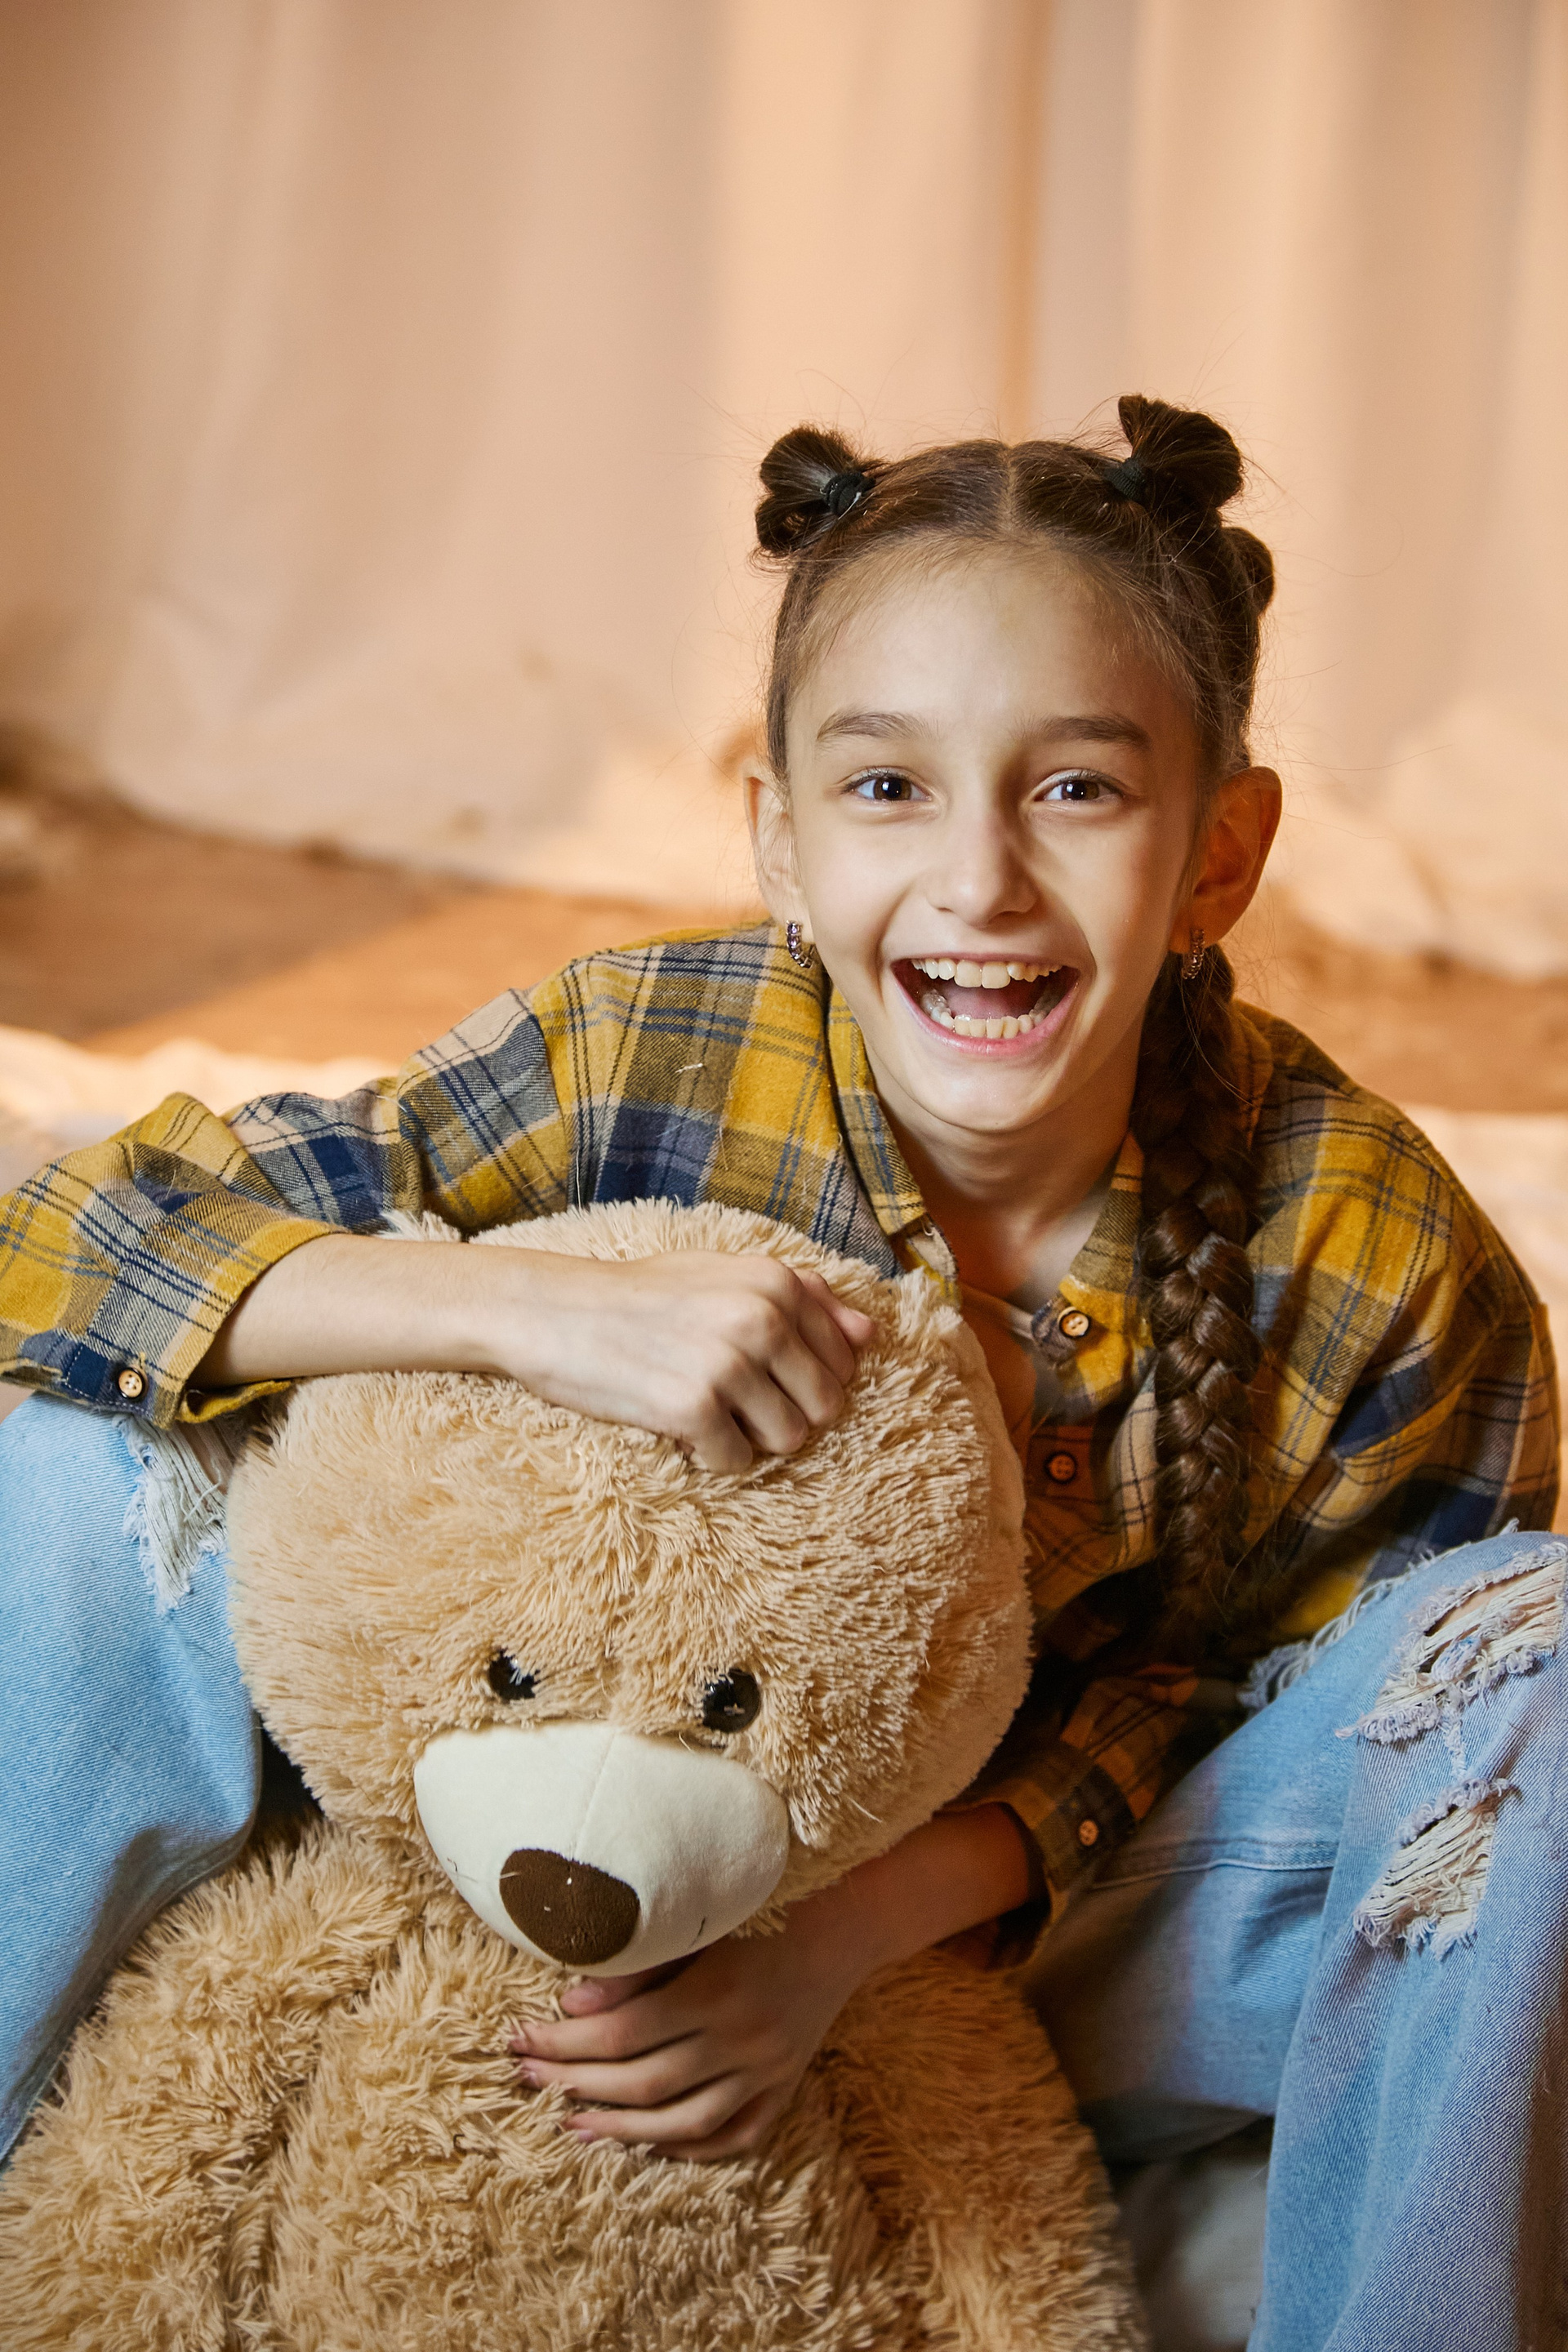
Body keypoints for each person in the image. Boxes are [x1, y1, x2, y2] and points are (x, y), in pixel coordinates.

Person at [0, 396, 1559, 2349]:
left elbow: (1289, 1728)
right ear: (781, 841)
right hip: (549, 1852)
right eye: (888, 786)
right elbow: (69, 1241)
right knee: (95, 1467)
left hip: (1041, 1955)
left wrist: (844, 1941)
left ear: (1220, 855)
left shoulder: (1374, 1245)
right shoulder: (636, 1052)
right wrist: (516, 1308)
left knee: (1539, 1678)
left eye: (1078, 789)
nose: (982, 879)